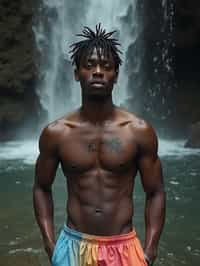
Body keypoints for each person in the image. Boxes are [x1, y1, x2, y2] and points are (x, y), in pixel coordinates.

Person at [33, 24, 166, 266]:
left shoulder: (138, 132)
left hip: (125, 248)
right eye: (89, 65)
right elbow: (41, 187)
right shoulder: (57, 133)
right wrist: (50, 245)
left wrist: (150, 251)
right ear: (76, 73)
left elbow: (155, 191)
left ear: (116, 75)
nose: (97, 72)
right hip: (72, 247)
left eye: (106, 67)